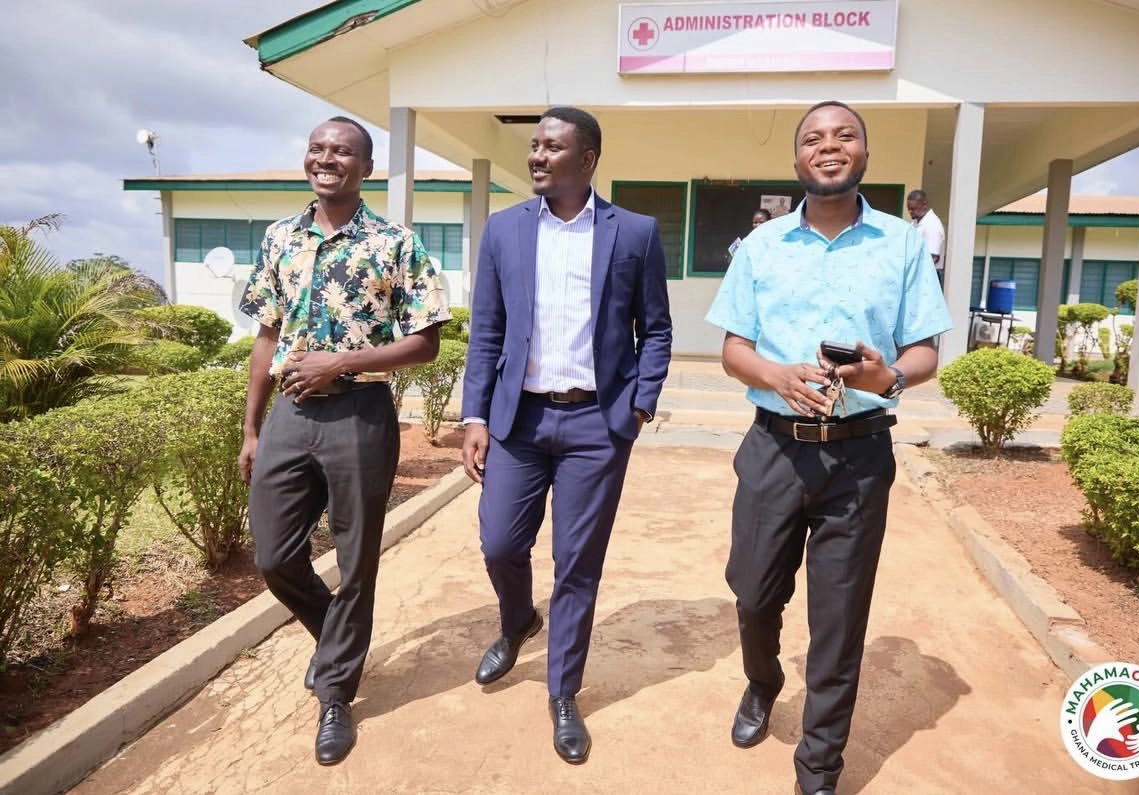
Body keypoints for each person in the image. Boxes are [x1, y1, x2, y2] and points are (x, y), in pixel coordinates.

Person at [705, 101, 952, 795]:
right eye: (814, 138)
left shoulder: (903, 244)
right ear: (797, 160)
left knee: (839, 622)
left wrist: (887, 377)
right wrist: (776, 375)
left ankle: (818, 768)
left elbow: (925, 350)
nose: (830, 146)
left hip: (859, 457)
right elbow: (732, 347)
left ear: (865, 154)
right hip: (774, 450)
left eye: (846, 135)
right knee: (754, 594)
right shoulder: (761, 246)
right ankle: (762, 681)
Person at [460, 105, 673, 765]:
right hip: (518, 420)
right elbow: (486, 330)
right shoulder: (504, 230)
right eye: (534, 145)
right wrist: (474, 416)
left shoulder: (634, 232)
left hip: (596, 424)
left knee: (577, 563)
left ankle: (563, 692)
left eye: (552, 147)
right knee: (500, 542)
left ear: (587, 158)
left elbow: (656, 328)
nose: (537, 156)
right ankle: (517, 620)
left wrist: (639, 407)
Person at [237, 116, 449, 766]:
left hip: (360, 413)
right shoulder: (279, 237)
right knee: (274, 557)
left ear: (366, 167)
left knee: (356, 561)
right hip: (290, 414)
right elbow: (267, 336)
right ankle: (337, 641)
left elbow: (427, 342)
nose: (326, 159)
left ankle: (335, 694)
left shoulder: (395, 244)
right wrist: (251, 427)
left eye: (343, 151)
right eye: (318, 148)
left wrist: (343, 362)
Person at [907, 188, 946, 286]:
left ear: (924, 205)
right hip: (918, 275)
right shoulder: (916, 222)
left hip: (927, 276)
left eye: (913, 208)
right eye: (909, 209)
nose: (910, 211)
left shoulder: (931, 224)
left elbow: (932, 257)